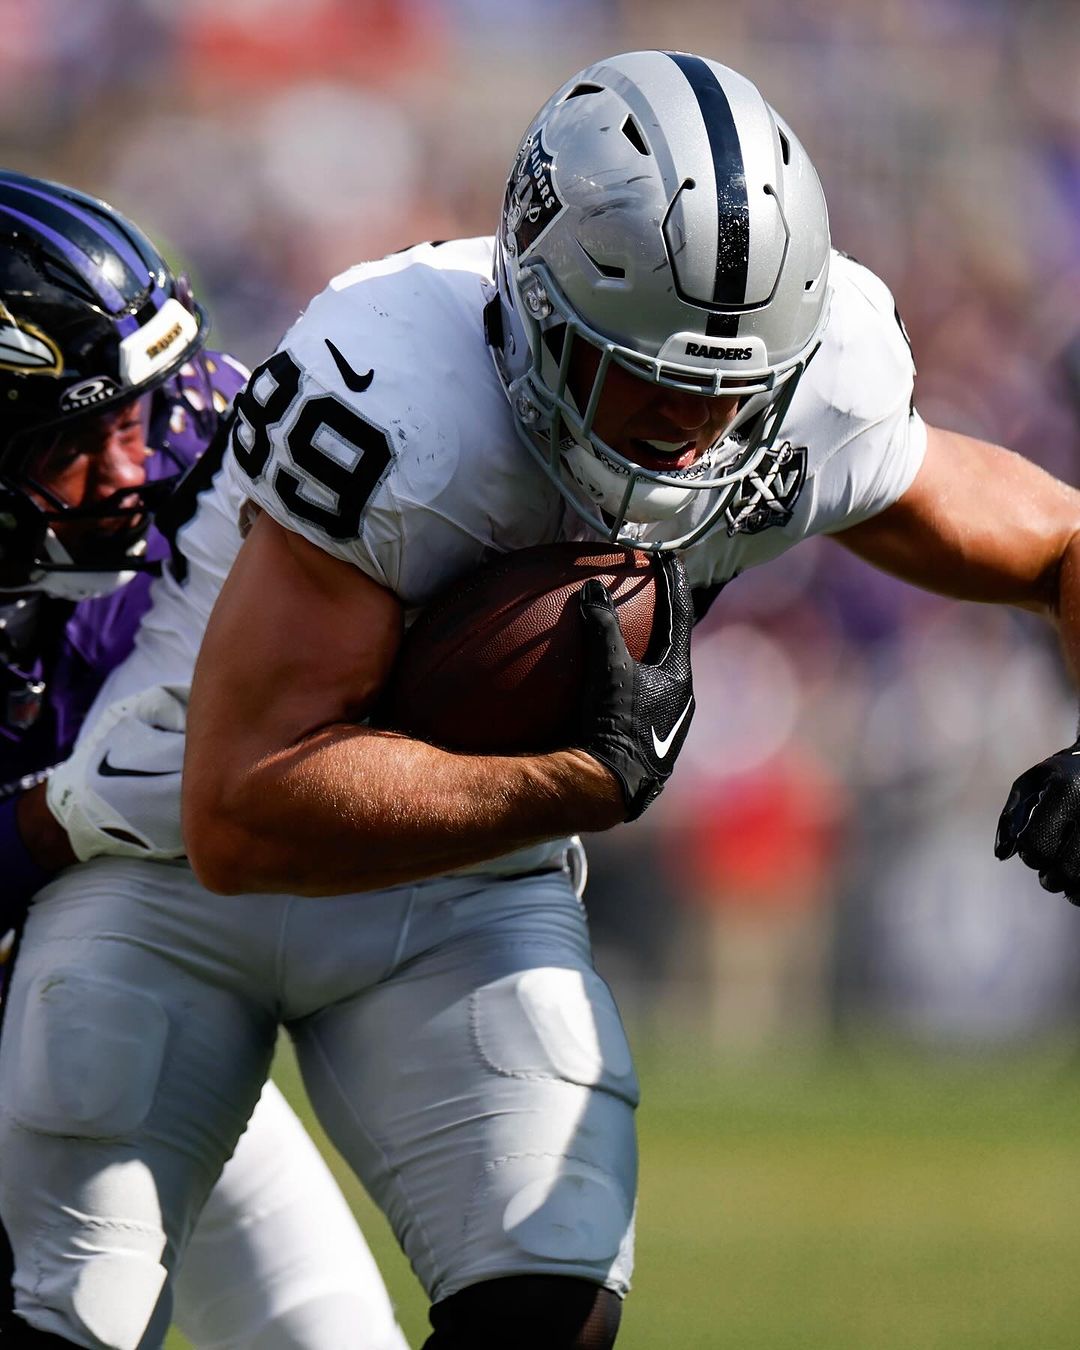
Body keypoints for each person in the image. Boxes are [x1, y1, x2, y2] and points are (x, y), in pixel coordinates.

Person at [4, 48, 1080, 1348]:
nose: (691, 425)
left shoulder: (816, 386)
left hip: (453, 880)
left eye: (731, 386)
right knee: (71, 1307)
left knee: (549, 1284)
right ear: (534, 308)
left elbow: (1057, 544)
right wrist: (577, 777)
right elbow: (240, 812)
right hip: (174, 875)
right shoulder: (400, 387)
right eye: (650, 374)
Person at [0, 172, 408, 1350]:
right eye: (81, 435)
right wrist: (57, 819)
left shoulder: (204, 438)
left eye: (140, 414)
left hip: (128, 999)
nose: (136, 466)